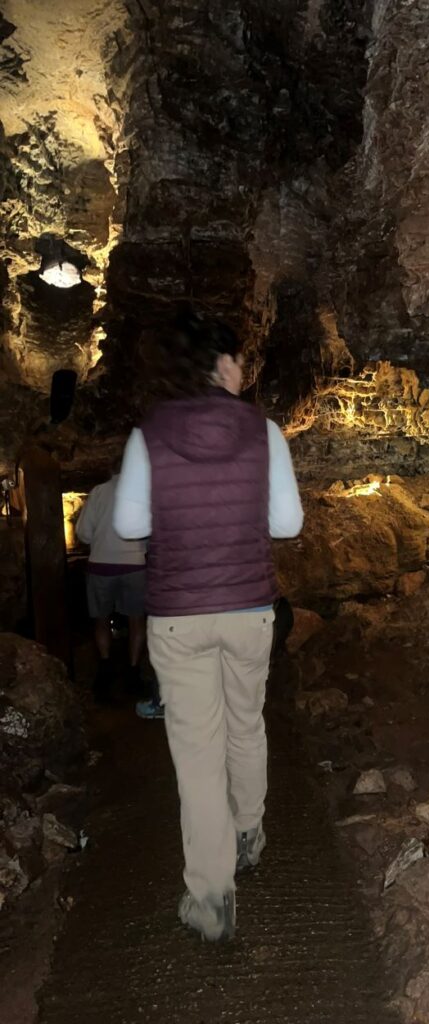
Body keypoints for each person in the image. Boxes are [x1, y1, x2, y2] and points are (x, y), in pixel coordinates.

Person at [113, 310, 303, 942]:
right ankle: (249, 830)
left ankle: (211, 895)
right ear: (220, 364)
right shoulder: (265, 431)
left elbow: (131, 527)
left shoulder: (148, 435)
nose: (244, 370)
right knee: (246, 724)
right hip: (249, 609)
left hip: (177, 617)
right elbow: (287, 526)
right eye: (239, 360)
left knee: (196, 753)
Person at [76, 459, 148, 703]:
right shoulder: (143, 494)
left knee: (101, 619)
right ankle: (133, 672)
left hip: (101, 564)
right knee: (137, 621)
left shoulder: (98, 492)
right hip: (135, 565)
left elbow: (83, 532)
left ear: (110, 470)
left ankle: (105, 669)